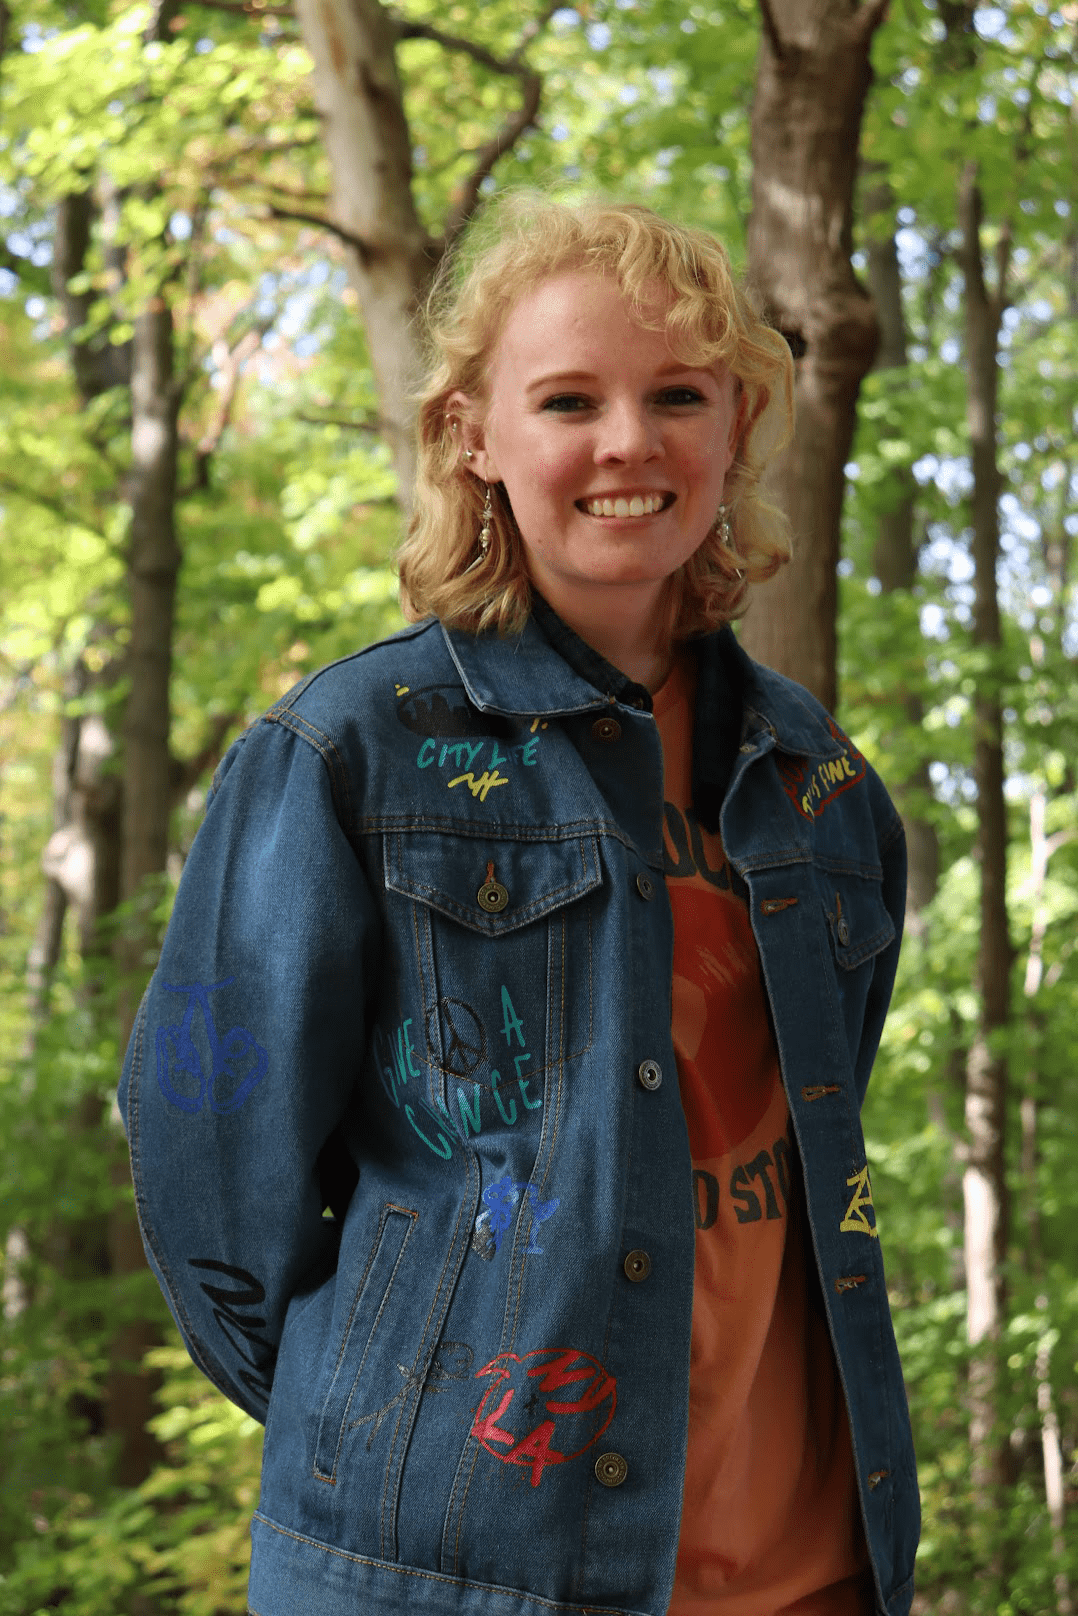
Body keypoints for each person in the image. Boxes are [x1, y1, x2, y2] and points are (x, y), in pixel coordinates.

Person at [119, 198, 919, 1616]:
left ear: (736, 428)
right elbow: (215, 1196)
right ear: (473, 436)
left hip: (812, 1565)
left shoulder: (820, 787)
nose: (629, 441)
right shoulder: (345, 756)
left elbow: (814, 1136)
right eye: (568, 400)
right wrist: (386, 1434)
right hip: (464, 1574)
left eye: (678, 395)